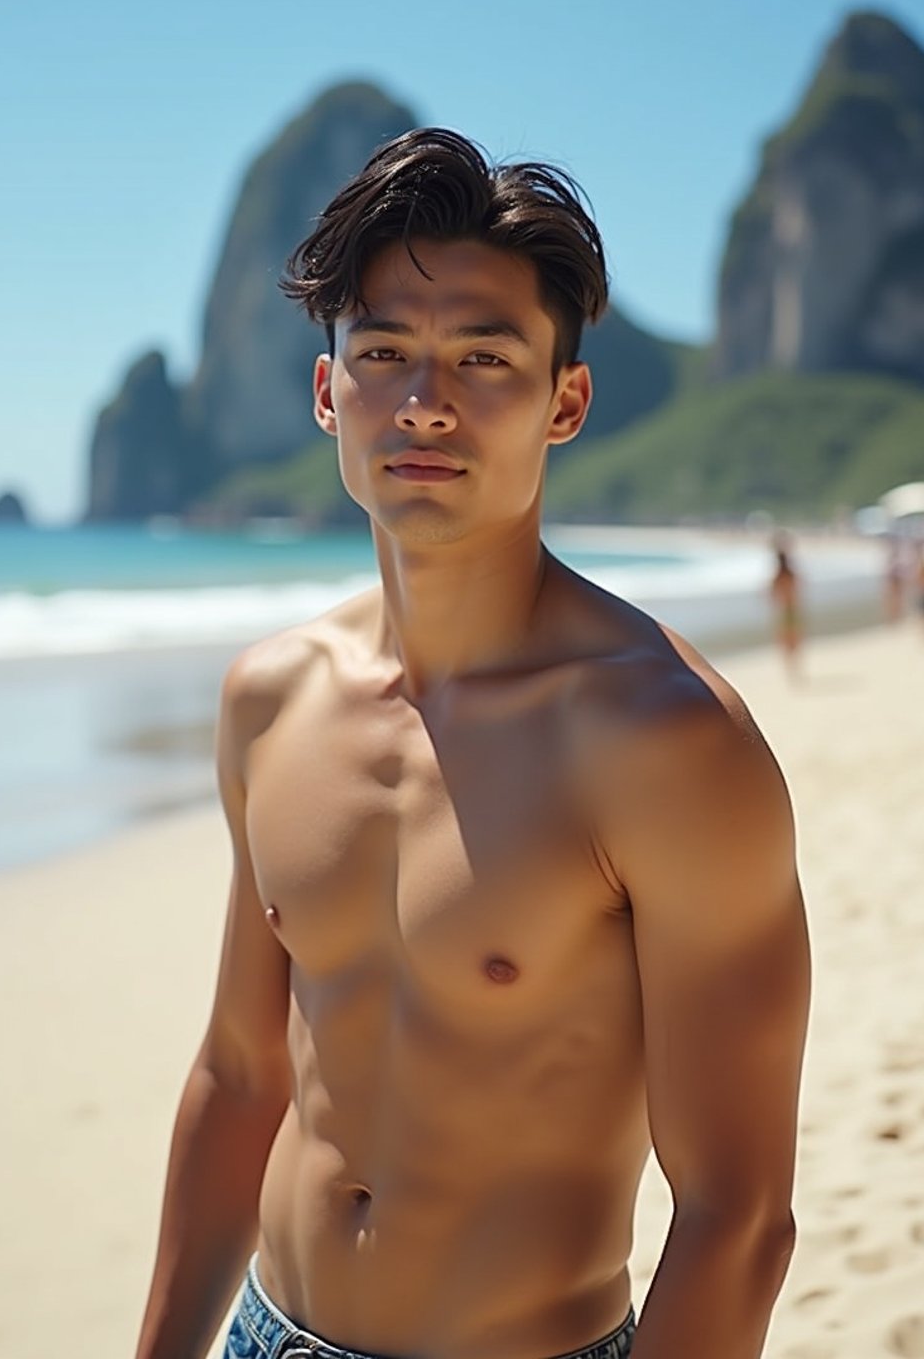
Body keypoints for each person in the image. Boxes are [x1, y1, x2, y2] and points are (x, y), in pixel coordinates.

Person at [135, 130, 810, 1359]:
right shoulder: (270, 701)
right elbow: (240, 1077)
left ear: (566, 402)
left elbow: (739, 1213)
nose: (424, 400)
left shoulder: (666, 743)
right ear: (329, 392)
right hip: (262, 1332)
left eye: (482, 357)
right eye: (383, 351)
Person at [769, 534, 803, 682]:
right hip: (793, 609)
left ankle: (790, 670)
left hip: (782, 611)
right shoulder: (792, 575)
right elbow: (798, 592)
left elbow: (771, 596)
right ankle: (795, 668)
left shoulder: (777, 577)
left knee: (785, 643)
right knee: (795, 641)